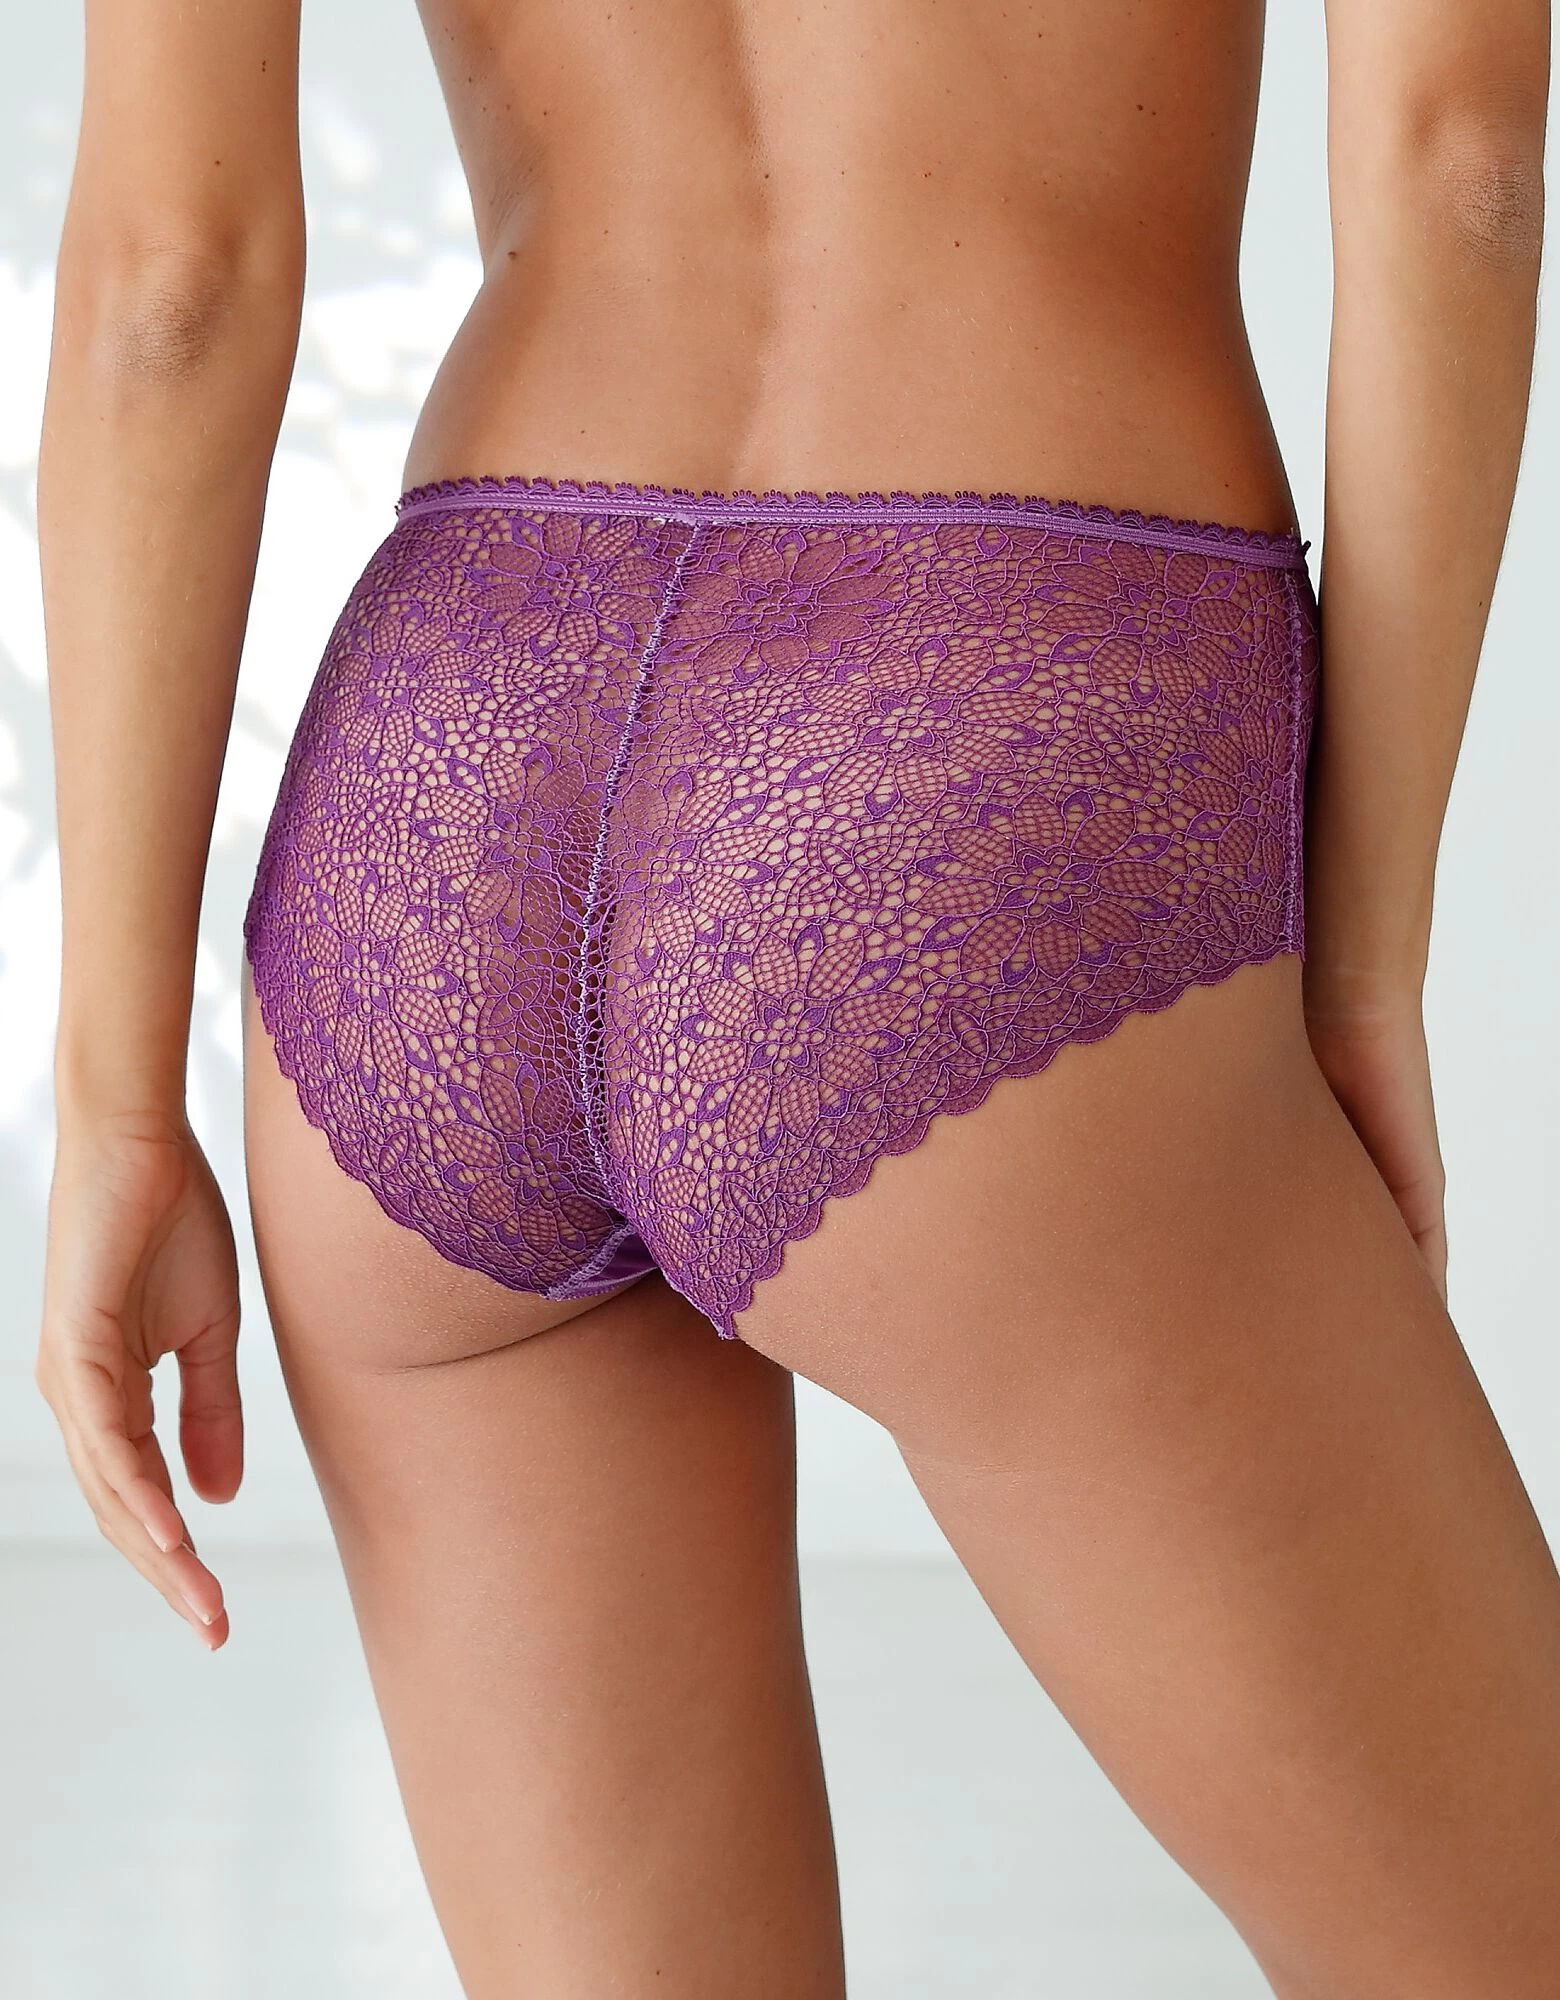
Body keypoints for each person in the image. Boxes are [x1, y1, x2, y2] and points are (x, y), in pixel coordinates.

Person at [32, 0, 1557, 1992]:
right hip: (977, 727)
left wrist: (116, 1097)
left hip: (445, 797)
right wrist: (1362, 957)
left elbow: (167, 283)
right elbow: (1456, 162)